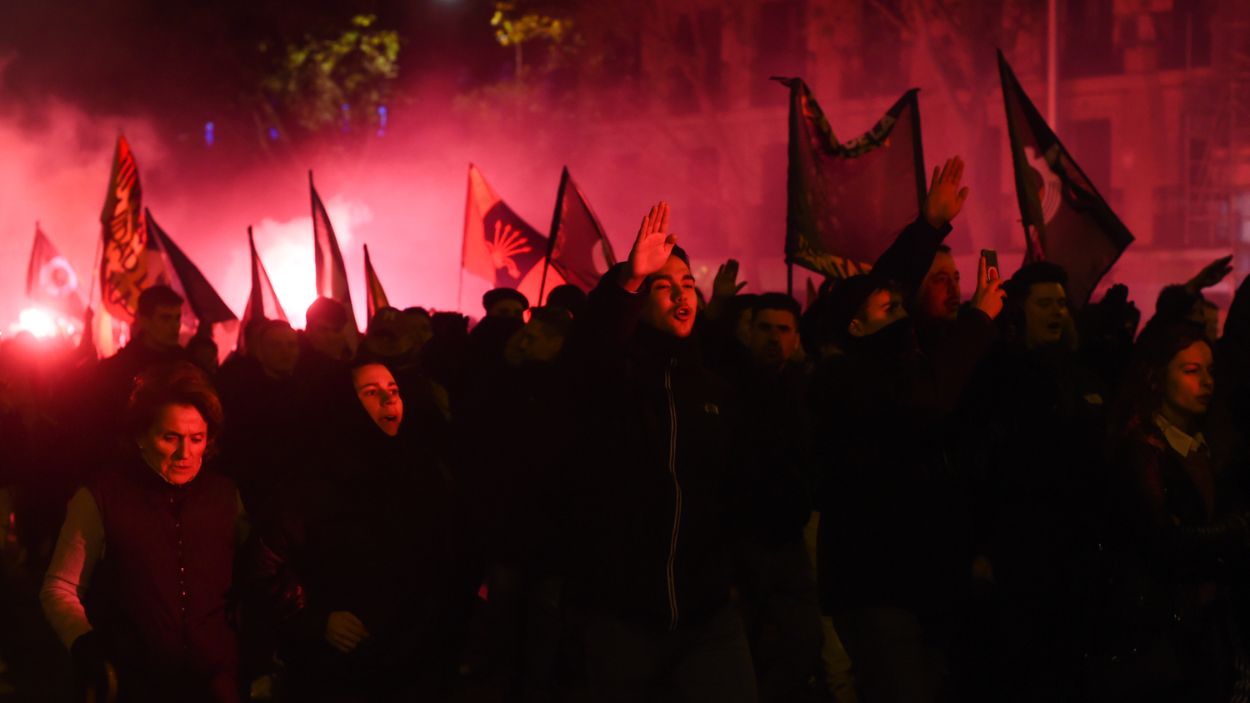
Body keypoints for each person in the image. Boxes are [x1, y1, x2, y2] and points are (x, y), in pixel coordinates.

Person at [811, 157, 1004, 703]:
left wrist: (929, 226)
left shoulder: (899, 358)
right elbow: (927, 399)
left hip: (924, 579)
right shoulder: (848, 376)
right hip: (875, 584)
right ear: (856, 324)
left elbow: (888, 283)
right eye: (887, 304)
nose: (899, 301)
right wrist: (979, 321)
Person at [565, 201, 757, 703]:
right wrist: (629, 280)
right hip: (624, 617)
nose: (680, 296)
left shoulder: (714, 387)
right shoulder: (611, 378)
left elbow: (737, 487)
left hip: (709, 614)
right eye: (663, 286)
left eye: (688, 285)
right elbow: (588, 351)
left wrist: (734, 575)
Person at [246, 361, 474, 701]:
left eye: (393, 391)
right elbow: (265, 565)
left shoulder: (423, 472)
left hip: (414, 657)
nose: (388, 401)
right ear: (344, 404)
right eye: (371, 392)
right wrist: (314, 619)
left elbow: (446, 554)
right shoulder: (312, 483)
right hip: (342, 666)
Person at [41, 362, 245, 702]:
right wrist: (84, 644)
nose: (185, 453)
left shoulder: (224, 496)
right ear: (141, 437)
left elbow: (250, 579)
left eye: (197, 439)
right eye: (170, 438)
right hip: (134, 682)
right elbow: (60, 586)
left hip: (215, 684)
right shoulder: (102, 496)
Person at [1097, 320, 1250, 701]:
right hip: (1162, 639)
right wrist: (1235, 531)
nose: (1207, 382)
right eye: (1191, 371)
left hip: (1209, 630)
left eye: (1210, 371)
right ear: (1157, 377)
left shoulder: (1215, 447)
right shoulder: (1143, 453)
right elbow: (1160, 540)